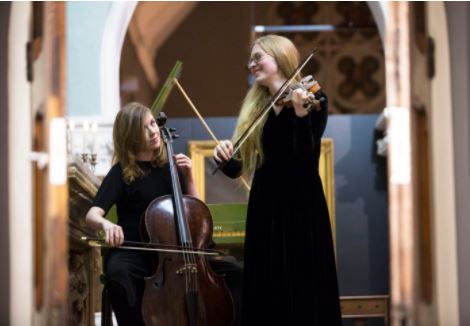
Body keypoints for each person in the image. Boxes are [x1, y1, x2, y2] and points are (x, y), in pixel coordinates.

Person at [213, 35, 342, 325]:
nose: (252, 64)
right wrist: (223, 156)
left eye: (258, 57)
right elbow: (238, 168)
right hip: (266, 204)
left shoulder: (312, 97)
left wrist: (299, 114)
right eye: (251, 59)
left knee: (303, 282)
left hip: (301, 204)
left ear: (279, 57)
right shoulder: (259, 109)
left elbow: (305, 157)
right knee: (266, 283)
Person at [86, 102, 241, 325]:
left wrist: (188, 176)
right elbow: (92, 215)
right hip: (136, 251)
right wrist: (106, 225)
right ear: (131, 136)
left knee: (235, 273)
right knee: (120, 276)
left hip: (177, 251)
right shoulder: (121, 172)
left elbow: (197, 213)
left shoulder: (172, 167)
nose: (153, 131)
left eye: (152, 124)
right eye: (144, 128)